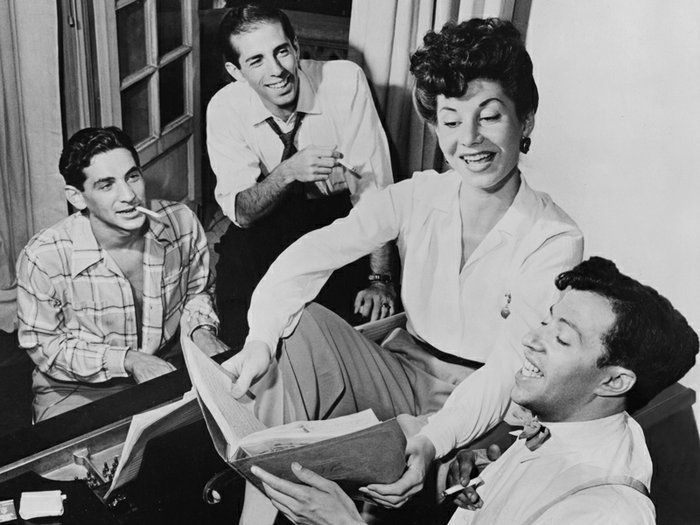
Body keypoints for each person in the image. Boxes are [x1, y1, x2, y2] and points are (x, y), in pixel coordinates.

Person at [222, 18, 583, 524]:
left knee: (399, 484)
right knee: (294, 326)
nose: (469, 139)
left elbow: (506, 370)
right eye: (451, 122)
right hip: (400, 367)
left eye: (490, 116)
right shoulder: (418, 194)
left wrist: (434, 440)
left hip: (481, 399)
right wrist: (260, 339)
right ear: (435, 126)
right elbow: (310, 255)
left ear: (525, 121)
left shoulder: (555, 237)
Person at [251, 257, 699, 525]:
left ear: (615, 381)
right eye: (546, 321)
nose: (530, 339)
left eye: (562, 338)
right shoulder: (575, 418)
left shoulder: (605, 512)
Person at [207, 4, 397, 347]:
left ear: (296, 47)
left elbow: (375, 191)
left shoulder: (344, 81)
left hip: (337, 218)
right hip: (265, 222)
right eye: (256, 61)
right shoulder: (224, 107)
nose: (277, 70)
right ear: (236, 71)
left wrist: (380, 279)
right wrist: (288, 172)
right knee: (244, 327)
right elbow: (243, 213)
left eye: (281, 51)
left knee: (339, 332)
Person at [16, 127, 223, 422]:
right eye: (106, 185)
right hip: (76, 388)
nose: (129, 195)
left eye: (132, 176)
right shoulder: (43, 257)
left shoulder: (181, 223)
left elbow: (198, 290)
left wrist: (201, 331)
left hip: (165, 365)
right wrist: (128, 360)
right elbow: (45, 346)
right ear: (77, 197)